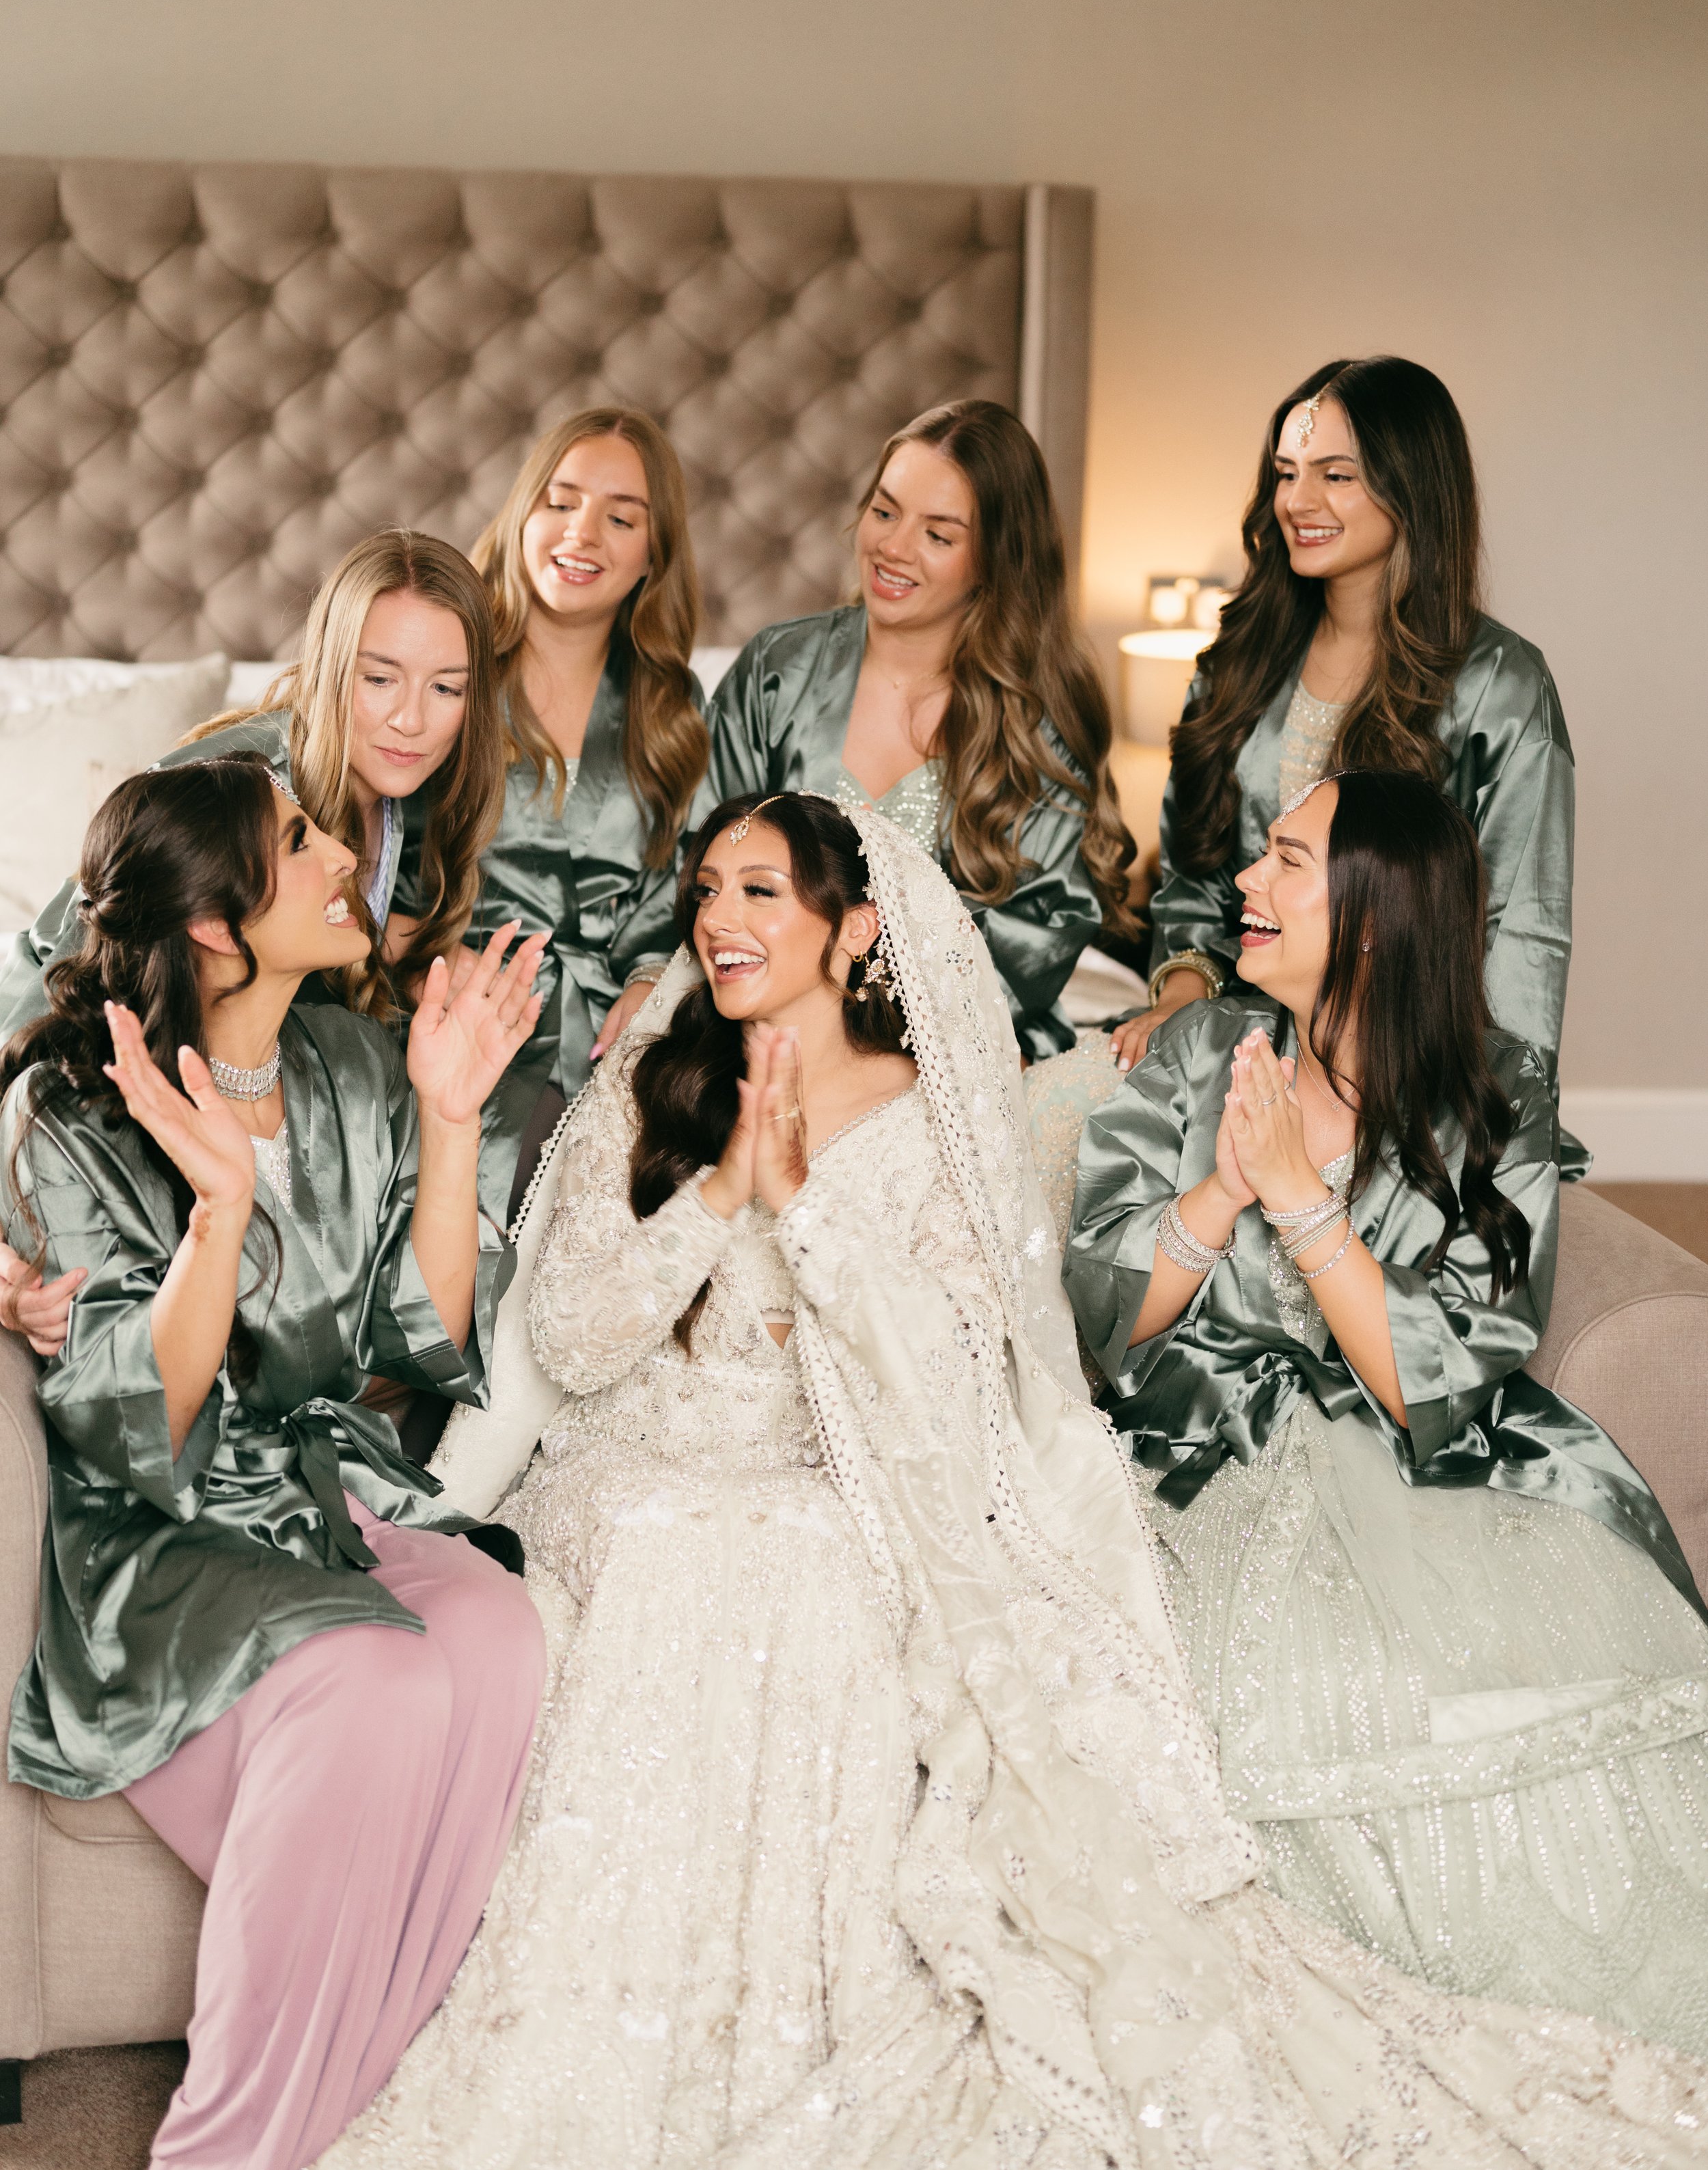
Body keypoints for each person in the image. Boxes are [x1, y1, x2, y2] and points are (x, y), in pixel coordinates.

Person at [315, 791, 1706, 2169]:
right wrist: (722, 1198)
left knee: (803, 1573)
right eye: (708, 891)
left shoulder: (924, 1121)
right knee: (699, 1553)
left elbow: (967, 1371)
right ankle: (627, 2022)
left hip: (848, 1487)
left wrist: (810, 1223)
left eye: (759, 893)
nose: (717, 920)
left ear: (855, 932)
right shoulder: (655, 1082)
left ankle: (781, 2005)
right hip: (650, 1472)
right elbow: (571, 1332)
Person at [1065, 769, 1708, 2057]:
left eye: (1287, 860)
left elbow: (1443, 1369)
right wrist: (1219, 1196)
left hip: (1437, 1472)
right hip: (1204, 1453)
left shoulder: (1494, 1091)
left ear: (1369, 914)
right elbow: (1094, 1314)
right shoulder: (1198, 1053)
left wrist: (1306, 1205)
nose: (1242, 884)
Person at [0, 754, 549, 2170]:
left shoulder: (355, 1063)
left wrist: (445, 1113)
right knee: (376, 1673)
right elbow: (138, 1424)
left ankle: (367, 2119)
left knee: (493, 1631)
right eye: (300, 839)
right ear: (214, 921)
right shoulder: (73, 1114)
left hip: (308, 1505)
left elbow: (419, 1334)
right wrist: (219, 1215)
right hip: (157, 1545)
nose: (340, 854)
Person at [0, 527, 508, 1359]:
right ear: (330, 665)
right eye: (378, 678)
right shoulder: (248, 782)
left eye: (446, 687)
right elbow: (62, 967)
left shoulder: (394, 792)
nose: (412, 718)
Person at [1113, 360, 1578, 1142]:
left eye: (1337, 475)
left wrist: (1484, 1122)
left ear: (1413, 488)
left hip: (1402, 1063)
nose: (1298, 502)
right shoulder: (1235, 663)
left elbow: (1519, 932)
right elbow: (1195, 873)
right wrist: (1181, 987)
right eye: (1285, 475)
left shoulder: (1500, 686)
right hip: (1241, 1032)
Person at [704, 399, 1133, 1060]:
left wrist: (856, 1037)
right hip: (750, 1023)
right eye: (884, 511)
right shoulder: (775, 673)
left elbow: (1035, 937)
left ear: (995, 558)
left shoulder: (1036, 728)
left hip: (952, 1048)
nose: (893, 547)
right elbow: (704, 850)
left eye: (938, 534)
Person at [411, 407, 708, 1226]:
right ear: (521, 515)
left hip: (618, 1027)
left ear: (655, 554)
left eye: (621, 518)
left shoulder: (673, 709)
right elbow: (387, 857)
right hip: (449, 1006)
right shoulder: (446, 670)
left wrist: (651, 977)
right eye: (560, 500)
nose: (582, 533)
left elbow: (691, 882)